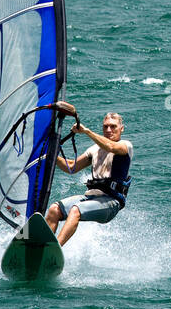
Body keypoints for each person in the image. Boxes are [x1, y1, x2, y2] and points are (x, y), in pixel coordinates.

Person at [47, 102, 133, 247]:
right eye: (106, 126)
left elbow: (111, 146)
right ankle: (43, 247)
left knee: (76, 210)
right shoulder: (94, 149)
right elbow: (71, 167)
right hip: (90, 197)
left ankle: (54, 250)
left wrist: (87, 132)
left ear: (121, 129)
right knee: (54, 210)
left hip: (111, 202)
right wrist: (51, 155)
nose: (109, 129)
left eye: (113, 126)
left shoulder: (125, 146)